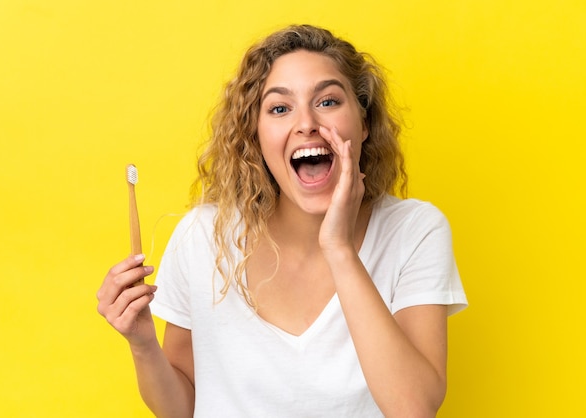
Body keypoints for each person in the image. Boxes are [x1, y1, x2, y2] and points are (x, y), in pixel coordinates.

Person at [97, 24, 467, 418]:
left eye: (327, 102)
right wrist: (141, 344)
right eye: (279, 108)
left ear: (364, 122)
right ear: (255, 136)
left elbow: (414, 409)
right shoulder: (204, 236)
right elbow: (183, 408)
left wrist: (339, 249)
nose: (306, 123)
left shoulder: (415, 231)